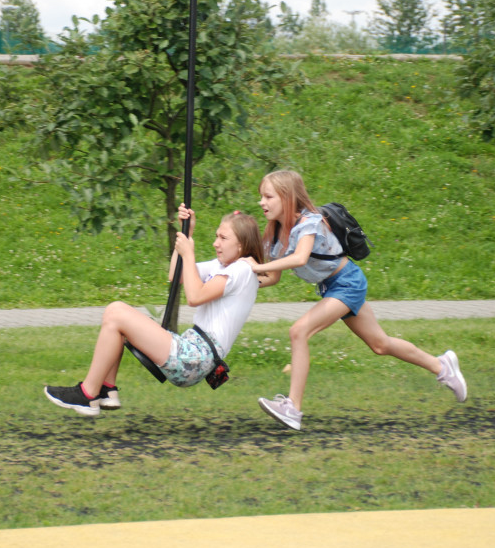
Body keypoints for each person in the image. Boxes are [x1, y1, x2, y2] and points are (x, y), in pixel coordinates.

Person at [246, 170, 467, 431]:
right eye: (261, 196)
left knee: (299, 331)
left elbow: (300, 258)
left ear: (287, 197)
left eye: (268, 196)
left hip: (347, 282)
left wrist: (255, 268)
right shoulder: (275, 234)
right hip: (333, 287)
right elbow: (272, 277)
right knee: (380, 345)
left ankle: (293, 408)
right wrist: (239, 281)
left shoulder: (309, 223)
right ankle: (442, 366)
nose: (262, 202)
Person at [45, 204, 263, 417]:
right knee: (115, 321)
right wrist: (187, 233)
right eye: (216, 236)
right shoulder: (222, 266)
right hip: (191, 351)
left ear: (242, 246)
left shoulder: (242, 270)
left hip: (195, 358)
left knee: (116, 311)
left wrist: (189, 253)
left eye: (223, 239)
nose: (216, 243)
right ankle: (105, 389)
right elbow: (175, 276)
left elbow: (194, 297)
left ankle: (87, 394)